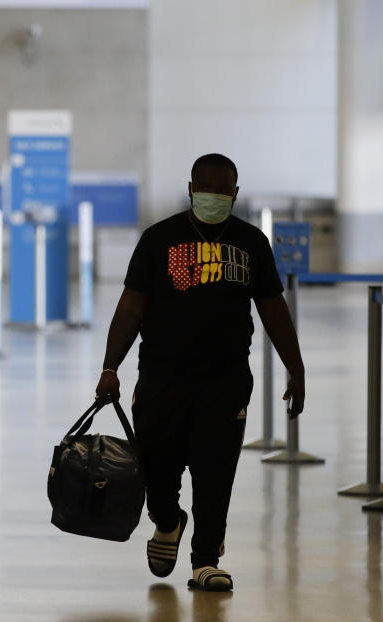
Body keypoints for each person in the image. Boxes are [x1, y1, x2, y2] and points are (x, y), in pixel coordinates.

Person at [94, 153, 305, 592]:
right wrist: (110, 366)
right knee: (158, 468)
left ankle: (205, 560)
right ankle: (168, 522)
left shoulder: (251, 243)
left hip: (224, 380)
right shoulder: (159, 238)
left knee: (215, 470)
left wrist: (295, 366)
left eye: (222, 189)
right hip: (161, 377)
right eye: (205, 187)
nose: (213, 195)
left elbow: (272, 308)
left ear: (235, 193)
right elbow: (131, 306)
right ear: (191, 190)